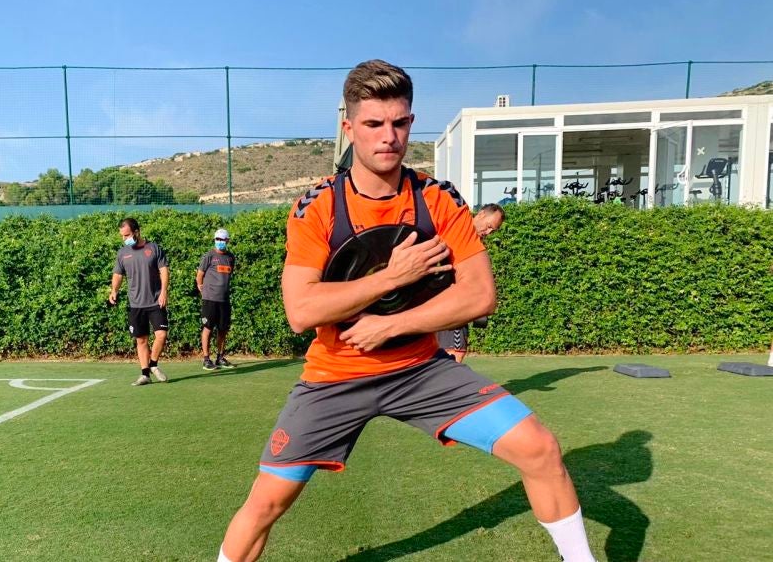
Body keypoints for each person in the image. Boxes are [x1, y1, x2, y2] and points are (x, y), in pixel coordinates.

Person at [216, 60, 595, 562]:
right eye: (373, 124)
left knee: (540, 448)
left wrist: (393, 324)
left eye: (399, 122)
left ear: (411, 123)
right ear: (349, 128)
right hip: (334, 377)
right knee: (266, 502)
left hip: (420, 370)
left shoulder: (436, 199)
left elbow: (480, 296)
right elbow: (300, 311)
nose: (388, 137)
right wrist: (393, 277)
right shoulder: (319, 207)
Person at [437, 202, 505, 362]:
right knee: (454, 352)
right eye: (488, 226)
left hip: (450, 304)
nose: (488, 232)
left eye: (492, 230)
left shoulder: (474, 244)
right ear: (481, 214)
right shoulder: (455, 231)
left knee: (449, 352)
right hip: (450, 304)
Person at [108, 217, 170, 386]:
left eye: (127, 235)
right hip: (135, 304)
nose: (124, 239)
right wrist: (114, 290)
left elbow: (164, 270)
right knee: (141, 340)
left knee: (161, 335)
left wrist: (164, 291)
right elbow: (118, 275)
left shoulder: (154, 248)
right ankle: (145, 374)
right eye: (122, 236)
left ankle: (153, 364)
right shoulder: (122, 253)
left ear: (136, 232)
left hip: (156, 301)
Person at [197, 228, 236, 371]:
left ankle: (220, 357)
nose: (219, 242)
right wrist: (202, 289)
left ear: (227, 241)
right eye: (217, 239)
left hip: (224, 300)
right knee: (207, 328)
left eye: (222, 240)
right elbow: (199, 275)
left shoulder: (230, 257)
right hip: (210, 300)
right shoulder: (209, 256)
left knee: (223, 330)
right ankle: (206, 359)